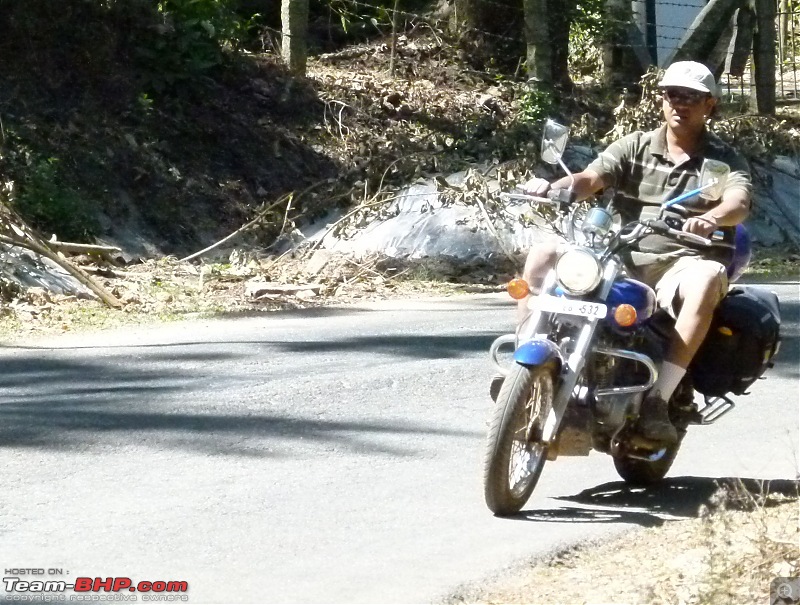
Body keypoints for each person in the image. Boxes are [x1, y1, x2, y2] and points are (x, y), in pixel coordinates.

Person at [520, 61, 752, 446]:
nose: (680, 104)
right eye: (673, 94)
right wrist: (554, 187)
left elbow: (738, 201)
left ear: (710, 104)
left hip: (680, 261)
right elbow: (592, 179)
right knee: (545, 252)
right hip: (618, 255)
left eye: (691, 97)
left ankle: (658, 399)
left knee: (707, 278)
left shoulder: (723, 160)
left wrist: (711, 218)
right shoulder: (635, 145)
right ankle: (526, 364)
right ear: (662, 100)